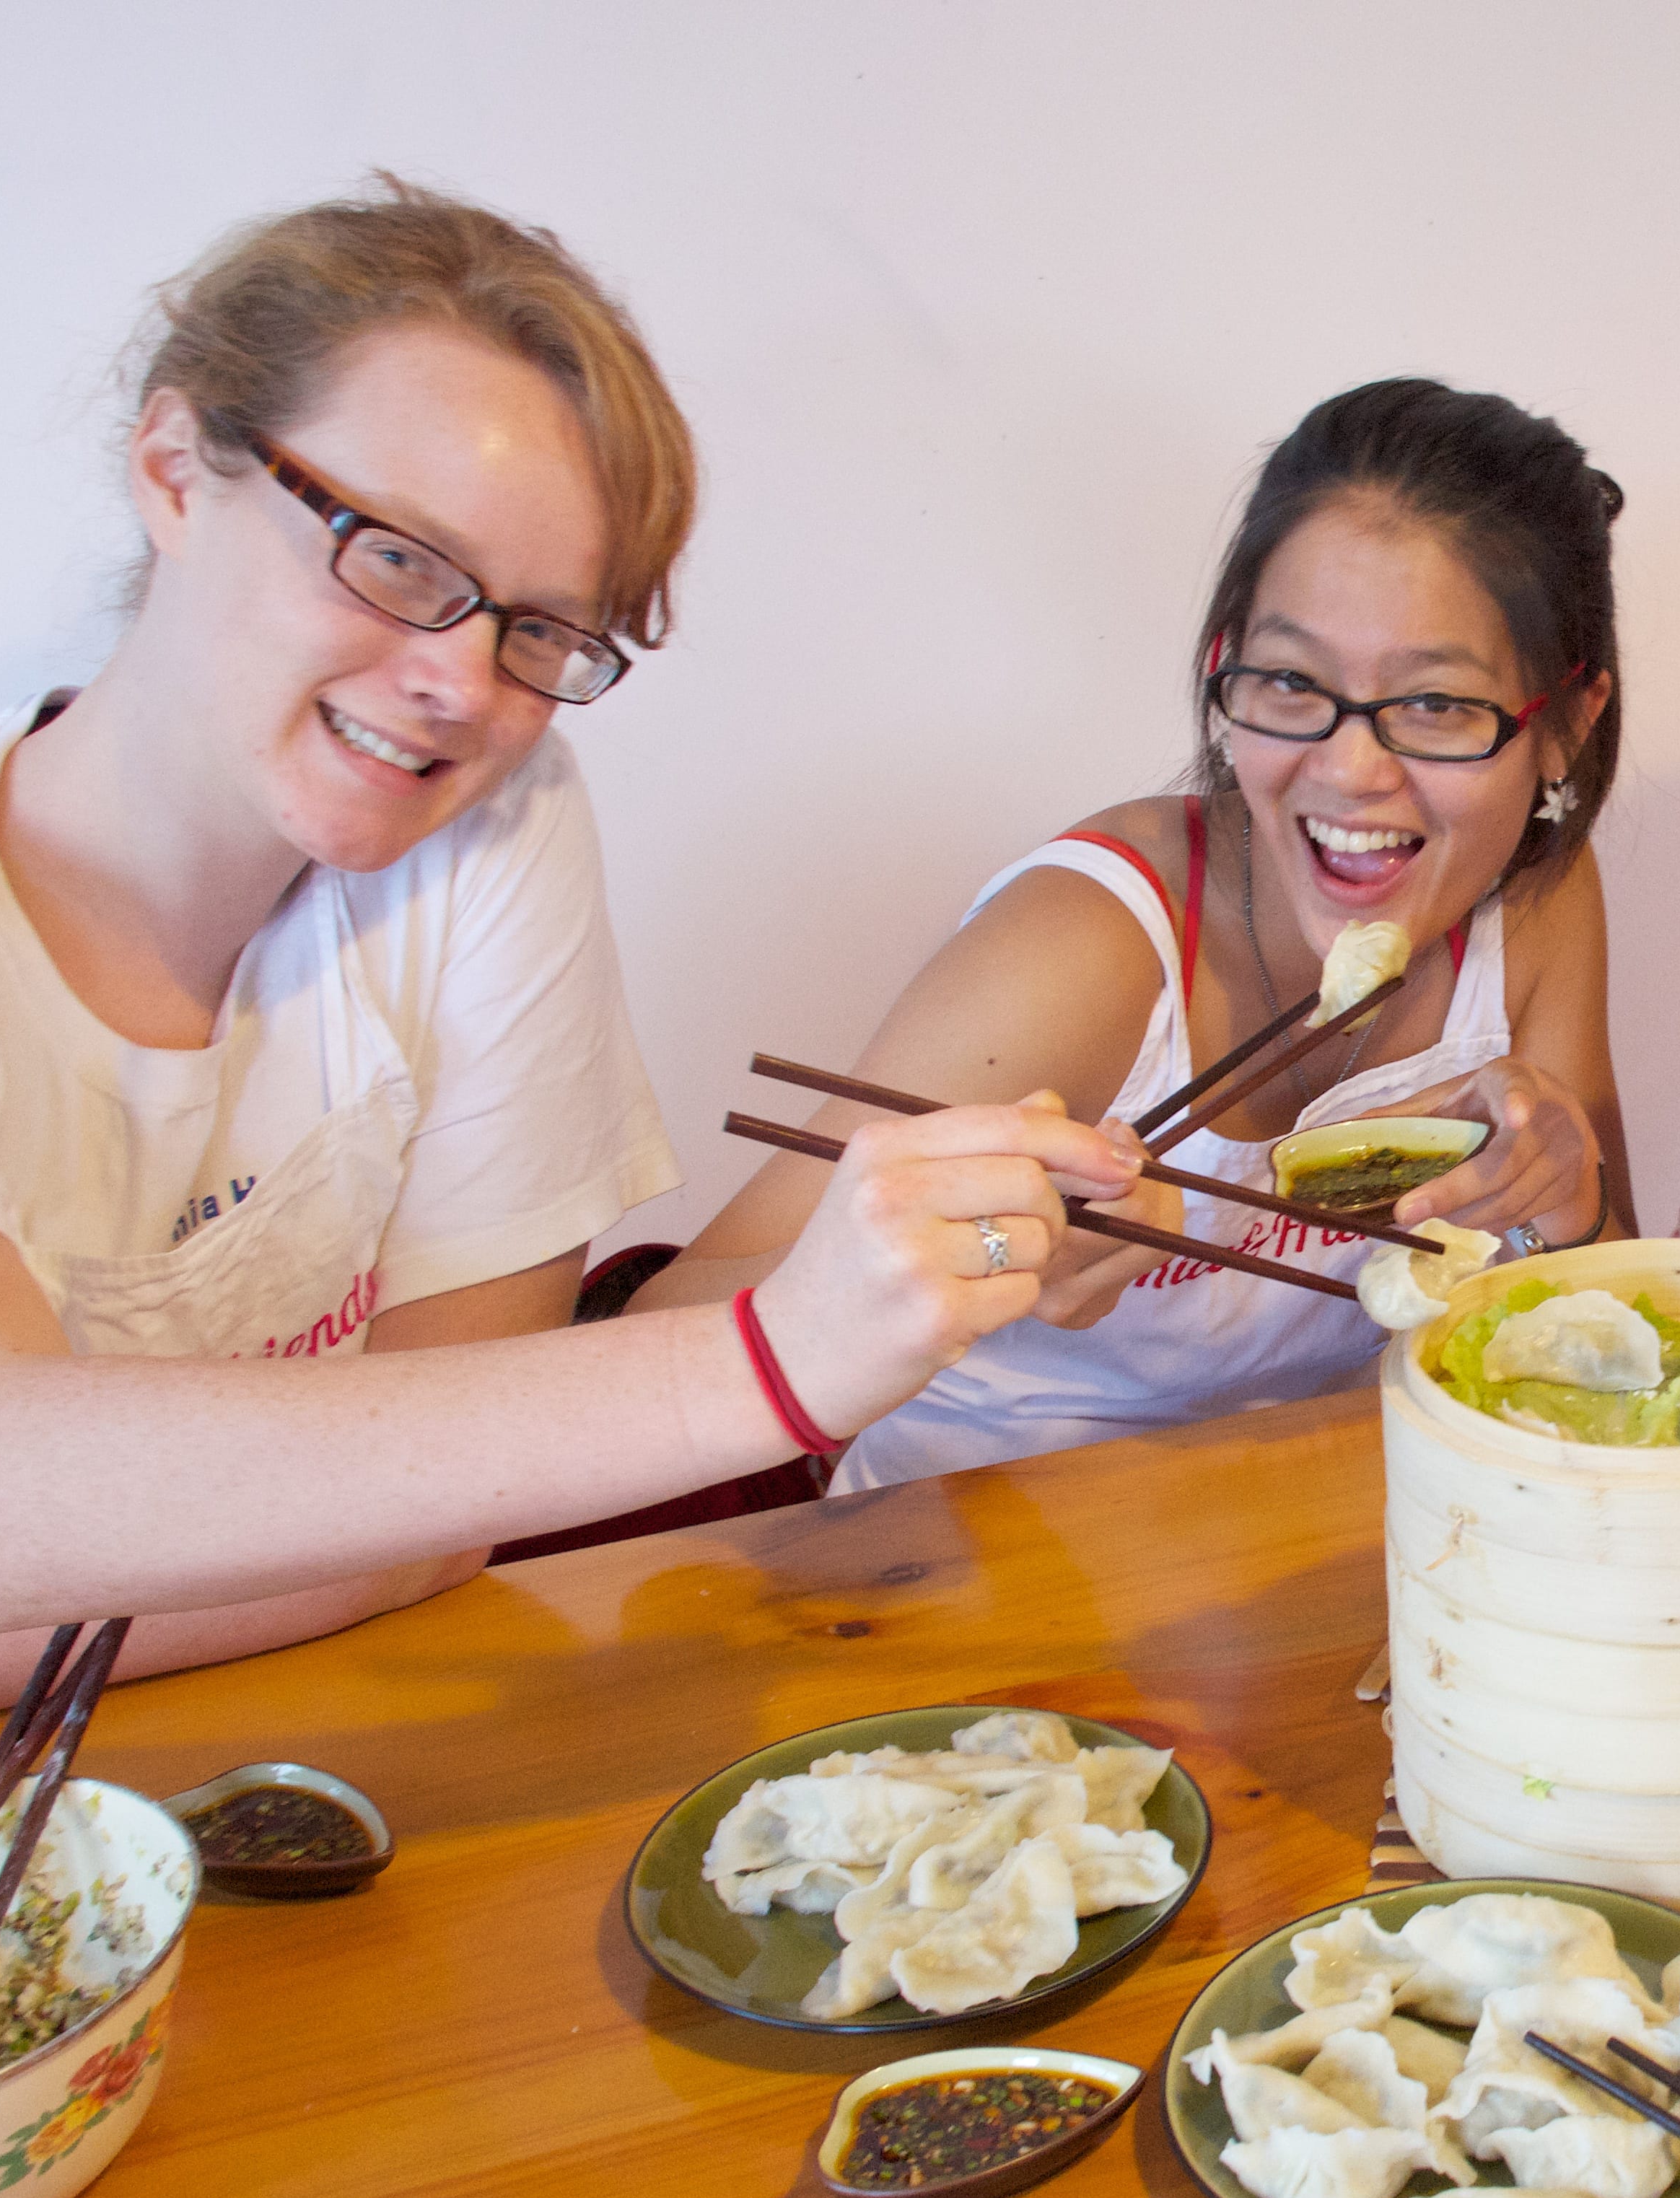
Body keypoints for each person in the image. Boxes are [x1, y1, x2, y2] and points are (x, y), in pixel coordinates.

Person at [0, 183, 1133, 1743]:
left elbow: (446, 1522)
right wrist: (787, 1356)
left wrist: (384, 1512)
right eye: (395, 560)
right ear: (176, 468)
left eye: (537, 632)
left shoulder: (481, 821)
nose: (457, 683)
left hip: (271, 1727)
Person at [639, 378, 1629, 1484]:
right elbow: (650, 1345)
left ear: (1566, 729)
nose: (1352, 770)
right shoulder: (1085, 953)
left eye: (1439, 707)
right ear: (1224, 668)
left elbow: (1603, 1323)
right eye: (1293, 683)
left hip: (1306, 1562)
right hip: (950, 1571)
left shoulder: (1532, 898)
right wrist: (979, 1247)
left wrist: (1564, 1200)